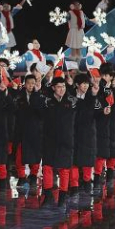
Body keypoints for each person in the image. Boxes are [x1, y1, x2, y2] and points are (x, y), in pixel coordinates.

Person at [32, 77, 77, 207]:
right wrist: (37, 91)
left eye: (63, 86)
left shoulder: (72, 101)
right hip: (49, 140)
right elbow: (35, 107)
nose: (61, 89)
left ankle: (62, 197)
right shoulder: (47, 101)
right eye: (58, 86)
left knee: (64, 170)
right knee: (47, 168)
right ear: (53, 88)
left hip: (66, 140)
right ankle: (48, 196)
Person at [94, 64, 115, 189]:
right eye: (103, 75)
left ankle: (110, 177)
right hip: (101, 125)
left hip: (114, 124)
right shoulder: (97, 88)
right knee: (100, 153)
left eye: (108, 75)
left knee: (112, 150)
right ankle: (97, 178)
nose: (105, 78)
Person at [13, 73, 43, 188]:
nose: (31, 85)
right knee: (20, 156)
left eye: (33, 83)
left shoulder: (40, 96)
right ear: (25, 84)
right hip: (21, 131)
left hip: (36, 131)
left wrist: (36, 95)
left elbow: (41, 113)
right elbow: (15, 111)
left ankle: (34, 176)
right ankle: (21, 177)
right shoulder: (19, 96)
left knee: (36, 155)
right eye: (29, 83)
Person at [71, 74, 100, 195]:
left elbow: (97, 115)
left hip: (88, 133)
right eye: (83, 83)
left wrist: (94, 95)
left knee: (87, 161)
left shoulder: (92, 96)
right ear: (77, 85)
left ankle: (87, 183)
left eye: (87, 83)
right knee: (74, 161)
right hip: (73, 133)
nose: (86, 86)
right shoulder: (70, 97)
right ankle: (74, 186)